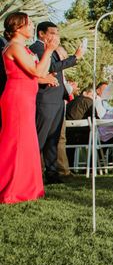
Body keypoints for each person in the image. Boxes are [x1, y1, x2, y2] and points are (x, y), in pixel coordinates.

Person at [1, 12, 58, 203]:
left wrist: (46, 78)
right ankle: (11, 188)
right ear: (18, 27)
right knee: (16, 141)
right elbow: (35, 70)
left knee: (27, 142)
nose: (32, 27)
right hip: (16, 98)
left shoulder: (23, 48)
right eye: (29, 24)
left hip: (26, 97)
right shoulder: (14, 47)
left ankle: (27, 187)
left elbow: (36, 73)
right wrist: (49, 51)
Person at [30, 21, 85, 184]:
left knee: (53, 140)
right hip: (45, 100)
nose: (56, 36)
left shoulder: (50, 50)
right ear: (41, 34)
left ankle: (52, 173)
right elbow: (52, 67)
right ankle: (34, 173)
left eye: (57, 33)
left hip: (57, 100)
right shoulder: (37, 48)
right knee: (41, 138)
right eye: (52, 33)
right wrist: (75, 58)